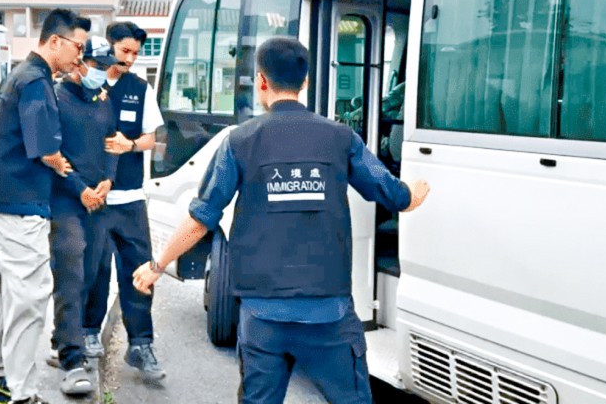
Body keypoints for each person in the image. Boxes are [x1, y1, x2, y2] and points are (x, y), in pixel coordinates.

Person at [132, 36, 431, 404]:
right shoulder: (340, 138)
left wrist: (157, 265)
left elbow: (201, 219)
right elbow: (397, 197)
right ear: (305, 82)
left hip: (262, 316)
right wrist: (417, 189)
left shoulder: (238, 141)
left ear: (261, 81)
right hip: (330, 316)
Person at [0, 9, 88, 404]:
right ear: (55, 41)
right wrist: (60, 162)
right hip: (20, 201)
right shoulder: (36, 82)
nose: (80, 58)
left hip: (2, 197)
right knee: (31, 295)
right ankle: (21, 393)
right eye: (78, 47)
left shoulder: (20, 75)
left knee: (9, 291)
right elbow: (44, 148)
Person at [83, 21, 165, 381]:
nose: (130, 59)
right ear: (109, 46)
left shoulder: (140, 89)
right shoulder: (87, 83)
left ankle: (141, 344)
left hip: (131, 198)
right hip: (94, 200)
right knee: (95, 270)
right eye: (124, 51)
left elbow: (151, 138)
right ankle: (88, 333)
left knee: (139, 272)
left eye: (135, 53)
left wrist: (129, 145)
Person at [46, 35, 119, 395]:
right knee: (71, 272)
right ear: (78, 61)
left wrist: (108, 179)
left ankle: (67, 335)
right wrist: (81, 189)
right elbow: (52, 153)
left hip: (99, 198)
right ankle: (71, 358)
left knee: (93, 270)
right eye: (96, 65)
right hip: (67, 199)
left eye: (107, 68)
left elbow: (112, 142)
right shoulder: (57, 98)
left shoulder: (103, 98)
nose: (101, 73)